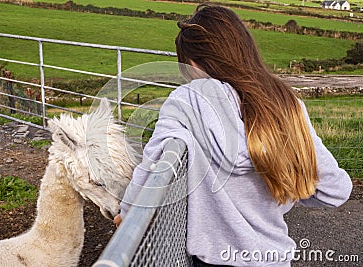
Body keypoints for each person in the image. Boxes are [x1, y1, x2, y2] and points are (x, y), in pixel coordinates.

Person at [114, 4, 352, 266]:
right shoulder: (285, 103)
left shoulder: (187, 100)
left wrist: (128, 213)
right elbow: (335, 189)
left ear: (193, 63)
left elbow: (153, 166)